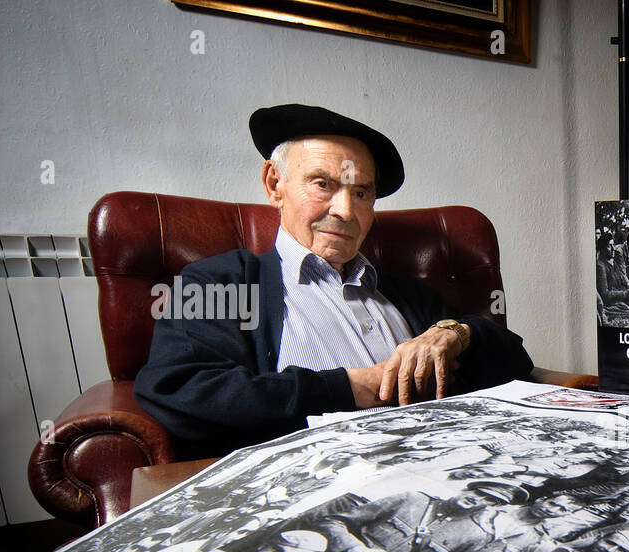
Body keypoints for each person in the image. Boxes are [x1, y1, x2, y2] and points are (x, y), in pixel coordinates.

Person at [134, 103, 533, 456]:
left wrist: (453, 332)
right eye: (323, 184)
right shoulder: (222, 281)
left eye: (361, 193)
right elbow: (178, 389)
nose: (344, 210)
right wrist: (357, 387)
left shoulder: (400, 290)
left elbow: (515, 360)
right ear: (275, 184)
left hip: (445, 462)